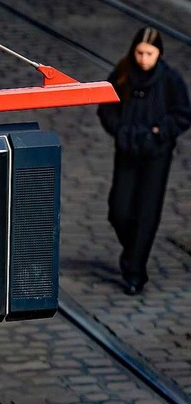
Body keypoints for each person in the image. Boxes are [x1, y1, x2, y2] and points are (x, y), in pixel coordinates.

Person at [97, 27, 191, 295]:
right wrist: (122, 131)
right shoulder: (122, 74)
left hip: (156, 155)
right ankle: (133, 252)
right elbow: (106, 108)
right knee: (119, 209)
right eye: (140, 52)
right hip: (127, 150)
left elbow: (183, 114)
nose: (144, 59)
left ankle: (135, 271)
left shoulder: (170, 80)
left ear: (159, 53)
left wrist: (160, 132)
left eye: (149, 53)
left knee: (147, 212)